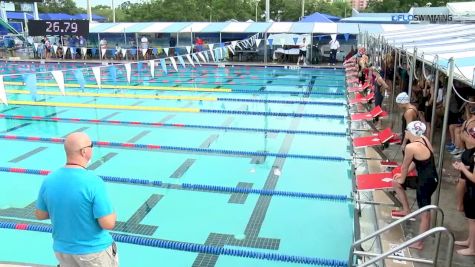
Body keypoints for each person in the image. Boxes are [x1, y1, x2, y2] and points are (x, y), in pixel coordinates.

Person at [35, 132, 118, 266]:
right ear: (84, 151)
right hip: (94, 253)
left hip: (63, 252)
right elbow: (107, 223)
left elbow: (40, 214)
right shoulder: (94, 182)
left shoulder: (49, 180)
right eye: (91, 145)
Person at [392, 121, 438, 250]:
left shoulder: (410, 147)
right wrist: (401, 177)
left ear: (410, 132)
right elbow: (421, 160)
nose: (405, 132)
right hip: (432, 179)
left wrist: (402, 178)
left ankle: (419, 243)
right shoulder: (423, 139)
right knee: (395, 182)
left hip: (425, 183)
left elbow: (405, 166)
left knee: (425, 213)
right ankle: (406, 210)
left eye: (406, 130)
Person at [452, 127, 475, 256]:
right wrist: (463, 167)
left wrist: (463, 169)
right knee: (471, 220)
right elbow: (472, 168)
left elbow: (474, 177)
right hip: (471, 190)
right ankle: (469, 241)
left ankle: (473, 249)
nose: (467, 136)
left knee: (473, 221)